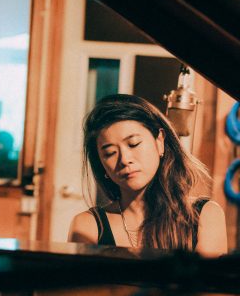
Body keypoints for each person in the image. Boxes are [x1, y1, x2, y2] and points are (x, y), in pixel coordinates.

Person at [68, 94, 227, 257]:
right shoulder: (88, 226)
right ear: (101, 163)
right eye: (110, 153)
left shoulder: (204, 216)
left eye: (133, 144)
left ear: (159, 141)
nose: (125, 160)